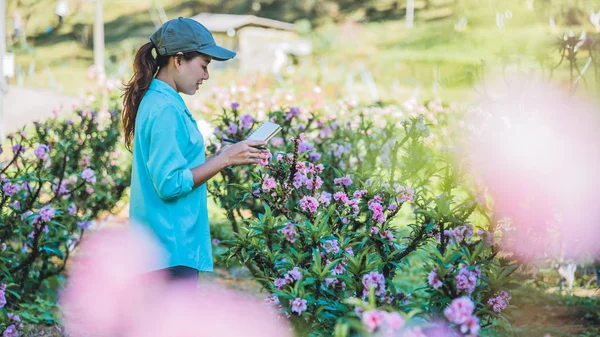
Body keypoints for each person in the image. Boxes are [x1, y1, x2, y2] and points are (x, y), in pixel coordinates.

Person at [121, 17, 268, 282]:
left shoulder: (162, 100)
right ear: (178, 60)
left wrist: (224, 156)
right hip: (169, 251)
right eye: (203, 65)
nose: (206, 75)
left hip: (162, 249)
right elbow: (169, 184)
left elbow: (176, 168)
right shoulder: (165, 108)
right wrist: (224, 160)